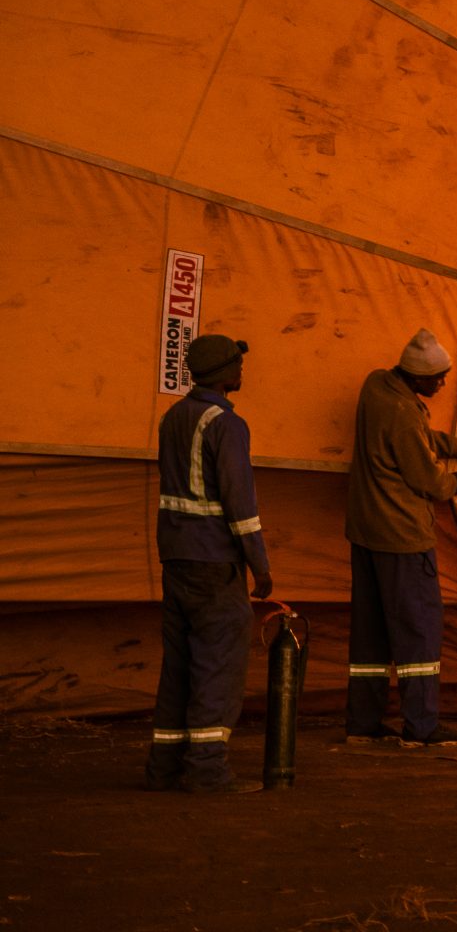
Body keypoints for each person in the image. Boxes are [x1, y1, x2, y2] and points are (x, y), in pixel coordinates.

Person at [344, 328, 457, 748]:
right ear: (417, 378)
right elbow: (428, 480)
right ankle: (422, 727)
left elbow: (409, 438)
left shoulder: (377, 385)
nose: (443, 384)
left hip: (365, 533)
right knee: (419, 633)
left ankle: (363, 724)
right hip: (402, 539)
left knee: (371, 634)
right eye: (438, 378)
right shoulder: (405, 413)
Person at [145, 334, 272, 793]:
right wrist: (260, 565)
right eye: (238, 365)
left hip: (176, 556)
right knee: (219, 661)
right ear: (223, 373)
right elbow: (240, 502)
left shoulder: (173, 417)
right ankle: (207, 770)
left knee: (179, 663)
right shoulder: (225, 423)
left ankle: (164, 767)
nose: (242, 371)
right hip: (214, 560)